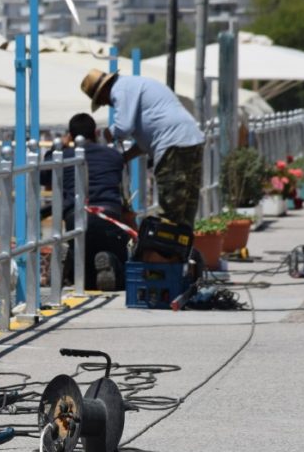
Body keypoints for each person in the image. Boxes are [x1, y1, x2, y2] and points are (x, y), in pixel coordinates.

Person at [80, 69, 205, 230]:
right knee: (187, 209)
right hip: (190, 140)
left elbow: (123, 127)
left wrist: (106, 134)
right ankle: (183, 250)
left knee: (170, 210)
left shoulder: (121, 90)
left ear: (103, 89)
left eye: (100, 99)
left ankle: (167, 253)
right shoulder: (134, 85)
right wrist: (125, 157)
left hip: (172, 146)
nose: (105, 104)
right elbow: (146, 140)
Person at [40, 113, 131, 290]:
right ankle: (109, 259)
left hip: (75, 215)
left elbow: (43, 177)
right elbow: (123, 190)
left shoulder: (64, 156)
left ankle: (70, 261)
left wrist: (55, 149)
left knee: (84, 264)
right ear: (96, 133)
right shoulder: (114, 156)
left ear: (71, 136)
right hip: (108, 214)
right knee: (118, 258)